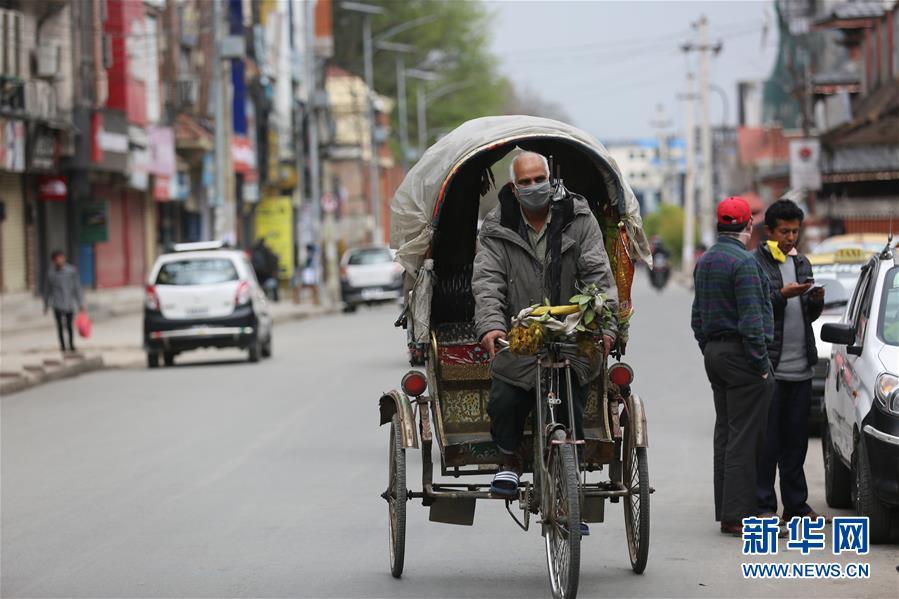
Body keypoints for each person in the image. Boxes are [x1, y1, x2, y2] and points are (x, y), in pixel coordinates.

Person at [472, 150, 619, 506]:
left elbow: (599, 277)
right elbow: (488, 283)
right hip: (520, 338)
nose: (535, 186)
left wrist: (606, 324)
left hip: (571, 336)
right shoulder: (496, 228)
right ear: (514, 187)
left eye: (540, 179)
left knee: (573, 398)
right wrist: (492, 327)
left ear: (551, 179)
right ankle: (508, 458)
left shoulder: (578, 218)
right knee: (505, 398)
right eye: (526, 182)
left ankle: (570, 486)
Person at [691, 196, 775, 536]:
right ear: (749, 226)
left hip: (715, 353)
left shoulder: (706, 261)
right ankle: (738, 516)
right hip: (742, 356)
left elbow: (697, 318)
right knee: (743, 437)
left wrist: (709, 349)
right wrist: (762, 365)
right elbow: (753, 322)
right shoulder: (745, 263)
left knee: (726, 433)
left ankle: (728, 512)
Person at [753, 199, 825, 523]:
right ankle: (765, 506)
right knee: (769, 443)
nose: (791, 237)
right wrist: (783, 295)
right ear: (770, 231)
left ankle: (796, 506)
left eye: (795, 231)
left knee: (796, 444)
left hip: (801, 367)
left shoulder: (803, 262)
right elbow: (757, 307)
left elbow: (809, 314)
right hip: (772, 369)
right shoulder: (757, 263)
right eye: (785, 231)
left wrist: (815, 302)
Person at [43, 250, 85, 353]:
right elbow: (47, 290)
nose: (60, 260)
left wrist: (81, 303)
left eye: (61, 258)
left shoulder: (71, 271)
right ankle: (62, 346)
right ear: (53, 261)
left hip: (69, 303)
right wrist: (46, 304)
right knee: (60, 326)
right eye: (57, 259)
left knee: (70, 326)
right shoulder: (51, 273)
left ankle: (71, 345)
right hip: (57, 304)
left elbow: (77, 288)